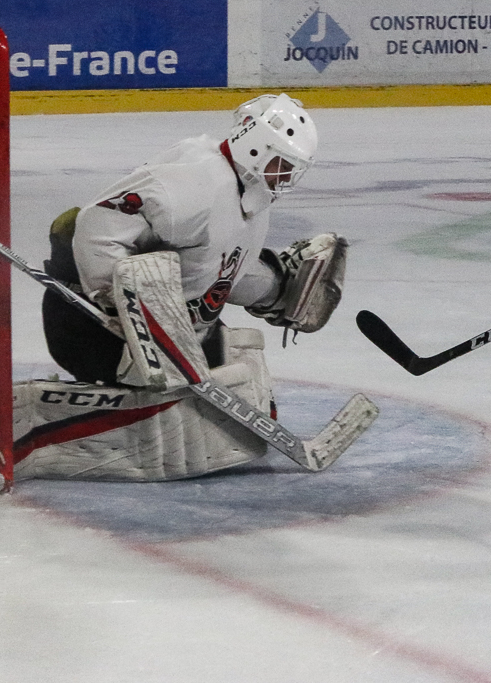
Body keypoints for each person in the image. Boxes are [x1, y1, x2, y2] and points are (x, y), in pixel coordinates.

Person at [34, 94, 348, 477]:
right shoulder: (196, 183)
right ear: (254, 145)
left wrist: (278, 291)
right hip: (87, 326)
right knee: (201, 404)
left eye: (292, 170)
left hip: (172, 336)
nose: (285, 178)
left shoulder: (249, 199)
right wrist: (119, 306)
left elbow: (222, 271)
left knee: (243, 374)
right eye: (281, 164)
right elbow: (96, 223)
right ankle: (56, 428)